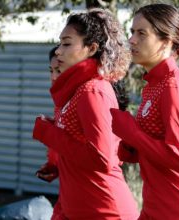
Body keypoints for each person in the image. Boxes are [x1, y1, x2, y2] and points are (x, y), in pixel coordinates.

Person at [110, 3, 179, 220]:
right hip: (157, 208)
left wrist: (132, 133)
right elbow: (154, 148)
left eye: (141, 33)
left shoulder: (175, 87)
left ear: (166, 40)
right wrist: (128, 147)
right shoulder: (154, 85)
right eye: (132, 32)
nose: (132, 40)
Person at [32, 8, 139, 220]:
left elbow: (102, 159)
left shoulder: (93, 90)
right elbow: (76, 142)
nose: (59, 51)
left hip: (104, 210)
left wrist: (49, 133)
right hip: (77, 207)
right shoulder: (75, 91)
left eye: (67, 43)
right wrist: (56, 163)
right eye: (60, 43)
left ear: (91, 48)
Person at [35, 46, 60, 183]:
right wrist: (53, 165)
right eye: (51, 71)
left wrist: (50, 132)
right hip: (70, 188)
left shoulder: (86, 97)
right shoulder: (61, 102)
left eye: (59, 70)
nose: (53, 77)